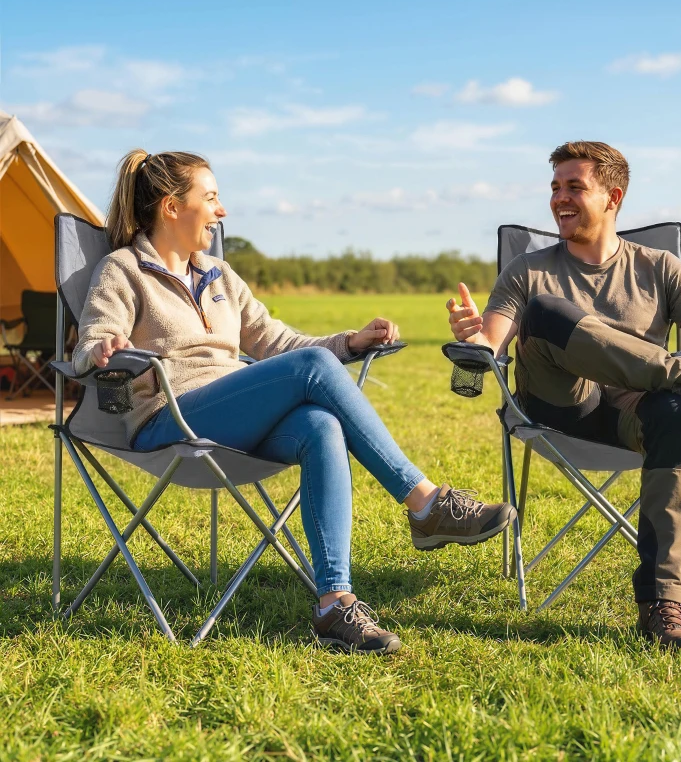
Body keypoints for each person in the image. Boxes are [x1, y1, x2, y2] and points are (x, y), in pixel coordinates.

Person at [73, 149, 517, 655]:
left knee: (320, 425)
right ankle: (425, 504)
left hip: (235, 417)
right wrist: (103, 349)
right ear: (172, 207)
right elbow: (92, 344)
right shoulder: (123, 269)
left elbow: (277, 343)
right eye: (211, 197)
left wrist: (349, 342)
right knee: (313, 376)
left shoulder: (219, 274)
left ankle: (335, 604)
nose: (222, 211)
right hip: (169, 420)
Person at [447, 140, 681, 651]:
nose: (560, 198)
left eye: (575, 187)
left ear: (613, 196)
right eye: (555, 187)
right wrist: (474, 340)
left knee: (673, 413)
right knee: (544, 312)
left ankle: (663, 605)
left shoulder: (658, 267)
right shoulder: (527, 272)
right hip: (559, 408)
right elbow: (493, 342)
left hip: (635, 412)